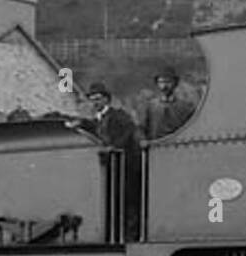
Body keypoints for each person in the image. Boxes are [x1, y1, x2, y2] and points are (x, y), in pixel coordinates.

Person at [80, 81, 142, 239]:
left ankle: (130, 236)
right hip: (109, 168)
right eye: (92, 99)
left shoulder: (119, 115)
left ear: (107, 99)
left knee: (128, 203)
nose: (95, 102)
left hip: (125, 166)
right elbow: (94, 126)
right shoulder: (98, 119)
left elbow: (129, 131)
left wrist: (114, 147)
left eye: (98, 98)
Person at [142, 66, 196, 140]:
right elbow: (145, 130)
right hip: (156, 147)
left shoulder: (186, 108)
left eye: (168, 82)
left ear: (175, 83)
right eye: (161, 82)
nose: (164, 86)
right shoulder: (151, 106)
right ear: (157, 84)